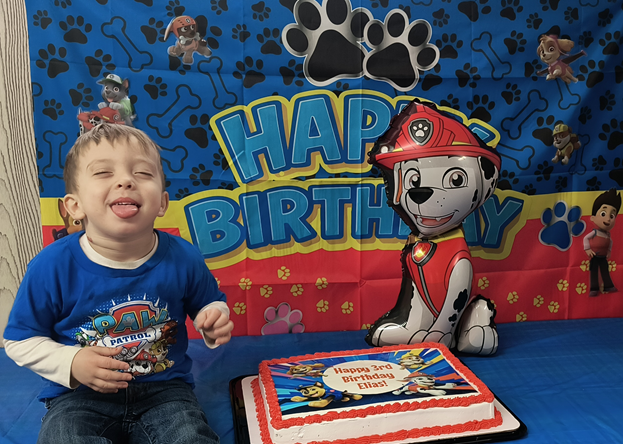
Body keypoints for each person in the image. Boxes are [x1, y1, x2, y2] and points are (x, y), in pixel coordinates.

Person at [3, 123, 234, 444]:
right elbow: (19, 341)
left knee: (190, 437)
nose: (126, 181)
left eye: (142, 173)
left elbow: (209, 303)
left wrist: (213, 318)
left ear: (162, 202)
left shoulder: (184, 256)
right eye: (103, 173)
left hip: (165, 391)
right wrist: (72, 362)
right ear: (74, 206)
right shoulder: (51, 265)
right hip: (80, 396)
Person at [583, 188, 621, 297]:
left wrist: (609, 251)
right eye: (603, 214)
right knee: (594, 272)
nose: (608, 219)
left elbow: (611, 242)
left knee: (605, 271)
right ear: (593, 218)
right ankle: (594, 288)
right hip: (595, 256)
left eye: (612, 216)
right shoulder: (594, 232)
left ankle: (608, 285)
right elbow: (586, 238)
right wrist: (587, 249)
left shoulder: (608, 235)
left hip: (603, 257)